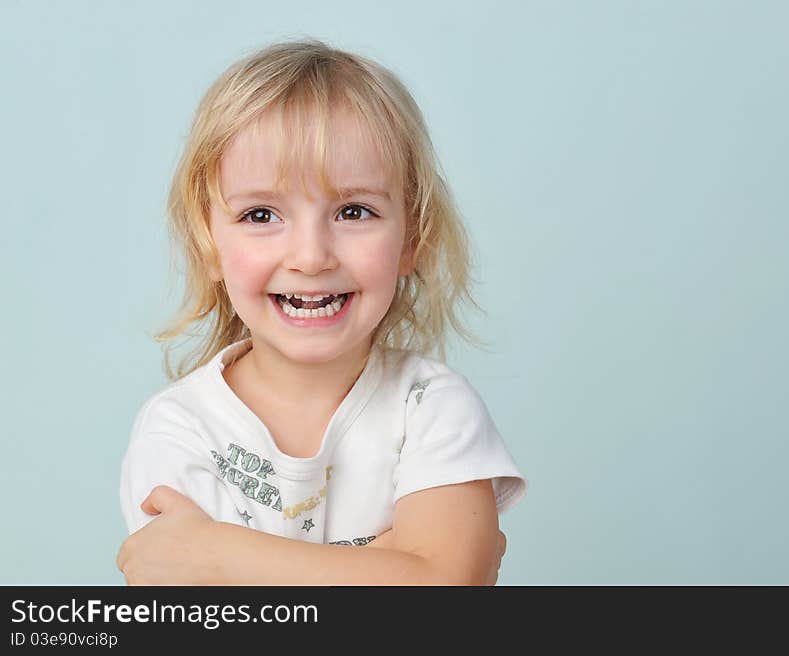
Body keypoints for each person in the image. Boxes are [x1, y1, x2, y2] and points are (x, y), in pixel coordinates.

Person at [117, 38, 527, 585]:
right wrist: (391, 562)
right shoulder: (180, 429)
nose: (311, 257)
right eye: (261, 214)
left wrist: (216, 555)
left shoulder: (431, 408)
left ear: (413, 238)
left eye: (354, 211)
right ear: (209, 245)